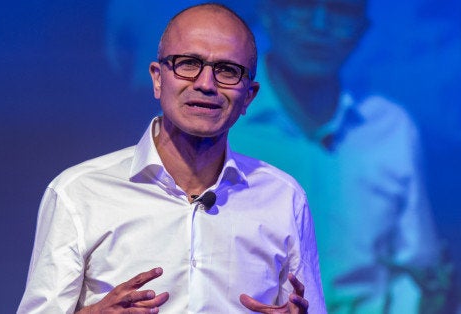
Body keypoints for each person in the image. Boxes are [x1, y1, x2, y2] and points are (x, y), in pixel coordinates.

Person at [17, 3, 325, 313]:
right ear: (157, 79)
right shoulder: (79, 193)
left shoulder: (283, 198)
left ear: (249, 96)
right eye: (188, 64)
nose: (206, 84)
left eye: (227, 71)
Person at [228, 0, 457, 313]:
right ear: (267, 13)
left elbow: (419, 270)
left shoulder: (391, 128)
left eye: (341, 8)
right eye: (302, 5)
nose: (320, 24)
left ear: (363, 28)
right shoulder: (222, 123)